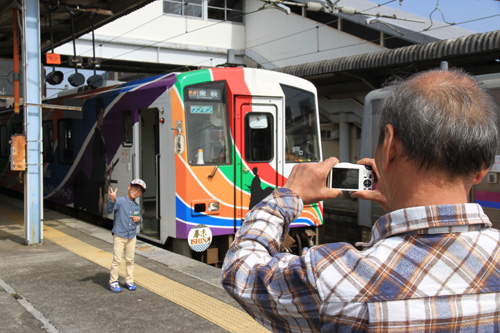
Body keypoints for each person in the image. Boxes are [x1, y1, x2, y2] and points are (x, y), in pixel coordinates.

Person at [221, 69, 500, 331]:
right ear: (481, 170)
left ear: (389, 145)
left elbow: (239, 272)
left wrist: (288, 195)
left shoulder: (333, 278)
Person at [107, 179, 146, 293]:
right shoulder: (119, 201)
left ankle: (129, 280)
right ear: (129, 187)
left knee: (130, 260)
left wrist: (140, 219)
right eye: (134, 189)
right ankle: (113, 281)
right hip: (119, 235)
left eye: (139, 191)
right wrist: (112, 200)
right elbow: (108, 210)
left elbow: (138, 217)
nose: (136, 192)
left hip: (131, 236)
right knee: (117, 259)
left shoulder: (136, 206)